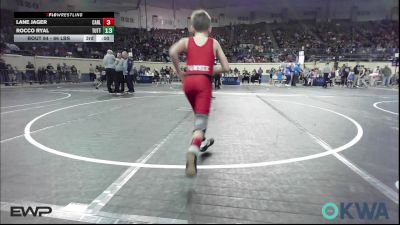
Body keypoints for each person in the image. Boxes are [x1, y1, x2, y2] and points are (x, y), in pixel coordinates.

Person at [169, 9, 229, 177]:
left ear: (192, 28)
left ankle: (201, 141)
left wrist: (180, 71)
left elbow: (172, 52)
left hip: (188, 83)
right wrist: (210, 69)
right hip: (203, 82)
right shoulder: (214, 43)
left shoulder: (186, 41)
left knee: (199, 119)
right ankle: (193, 150)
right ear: (210, 28)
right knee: (200, 123)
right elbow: (226, 67)